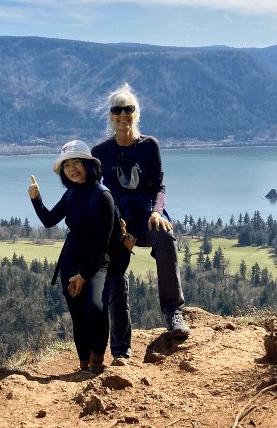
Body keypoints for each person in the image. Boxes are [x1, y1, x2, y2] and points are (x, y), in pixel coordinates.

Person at [92, 83, 190, 362]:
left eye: (129, 109)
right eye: (117, 110)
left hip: (148, 216)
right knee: (116, 274)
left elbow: (160, 186)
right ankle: (121, 350)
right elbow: (98, 193)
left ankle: (173, 313)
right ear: (111, 116)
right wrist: (115, 225)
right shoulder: (101, 151)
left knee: (166, 238)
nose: (123, 114)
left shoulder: (149, 146)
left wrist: (158, 212)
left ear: (136, 113)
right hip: (118, 223)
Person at [28, 140, 116, 374]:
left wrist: (84, 275)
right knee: (78, 315)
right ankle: (83, 364)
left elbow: (101, 243)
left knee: (95, 309)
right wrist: (36, 199)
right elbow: (49, 220)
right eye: (66, 166)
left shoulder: (103, 196)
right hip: (70, 261)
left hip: (96, 264)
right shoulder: (72, 194)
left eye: (77, 162)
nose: (72, 169)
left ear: (88, 164)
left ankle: (97, 361)